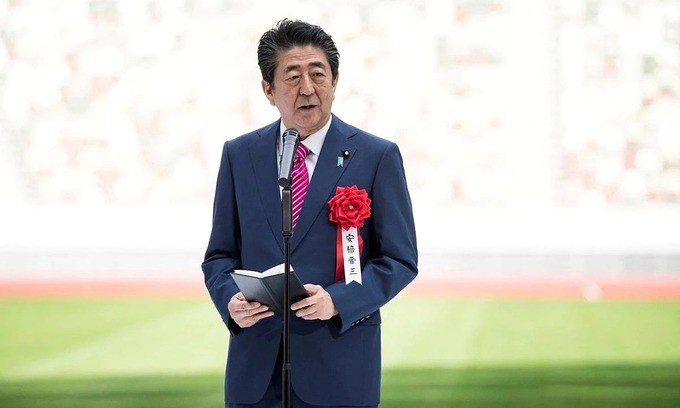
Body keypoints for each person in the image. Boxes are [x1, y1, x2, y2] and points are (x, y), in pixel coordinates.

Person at [202, 19, 418, 408]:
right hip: (255, 373)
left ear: (335, 82)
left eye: (318, 74)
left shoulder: (376, 156)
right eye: (292, 76)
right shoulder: (239, 155)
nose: (307, 88)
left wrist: (337, 301)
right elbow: (219, 255)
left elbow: (399, 260)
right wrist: (231, 300)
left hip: (341, 368)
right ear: (268, 90)